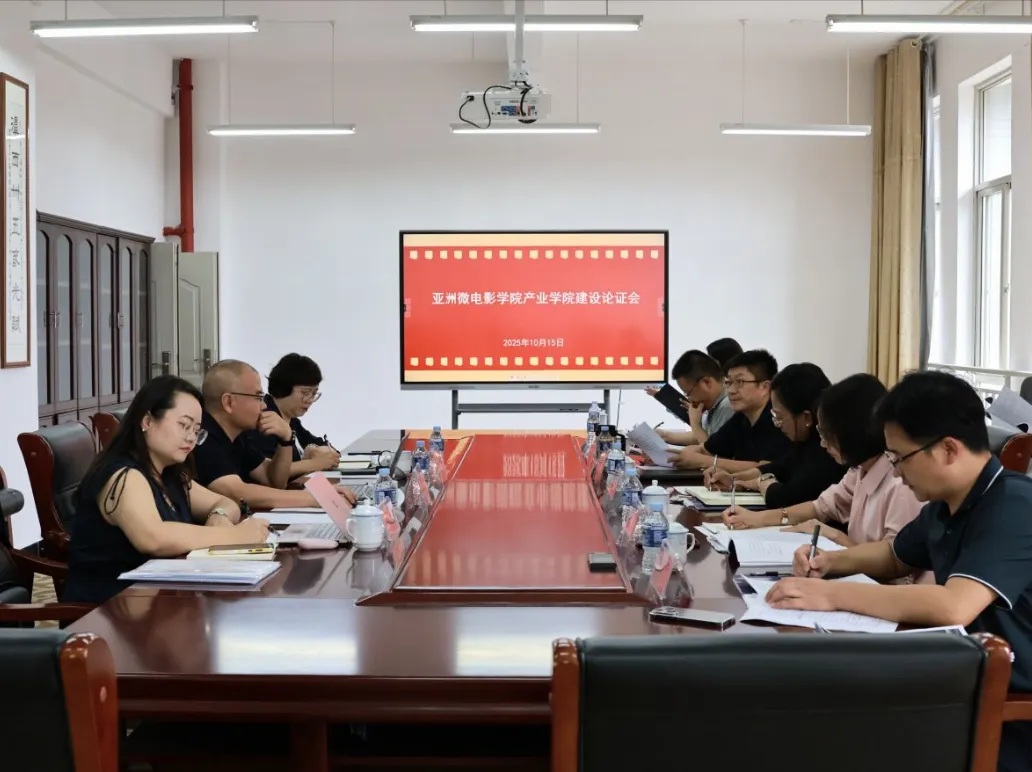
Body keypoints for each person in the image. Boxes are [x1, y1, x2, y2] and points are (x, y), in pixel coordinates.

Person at [764, 371, 1032, 771]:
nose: (896, 472)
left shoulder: (1014, 505)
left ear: (948, 450)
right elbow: (894, 556)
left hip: (1008, 709)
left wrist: (832, 594)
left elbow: (954, 605)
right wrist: (829, 562)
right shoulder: (945, 504)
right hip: (961, 677)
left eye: (899, 458)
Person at [62, 376, 270, 604]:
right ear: (147, 421)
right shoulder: (124, 476)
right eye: (184, 425)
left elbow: (225, 502)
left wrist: (218, 516)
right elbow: (154, 538)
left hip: (157, 600)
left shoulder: (170, 473)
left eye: (197, 430)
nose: (191, 438)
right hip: (108, 611)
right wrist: (234, 536)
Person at [722, 373, 923, 549]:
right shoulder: (860, 469)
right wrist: (756, 518)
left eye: (827, 434)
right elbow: (821, 507)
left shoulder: (901, 484)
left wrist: (836, 537)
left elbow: (896, 566)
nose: (823, 444)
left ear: (853, 432)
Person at [192, 360, 357, 509]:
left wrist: (286, 439)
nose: (264, 405)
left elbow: (272, 480)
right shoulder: (204, 438)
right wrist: (315, 497)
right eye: (258, 397)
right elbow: (238, 493)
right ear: (229, 402)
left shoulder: (237, 436)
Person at [706, 363, 845, 509]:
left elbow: (788, 497)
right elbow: (780, 467)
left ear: (806, 417)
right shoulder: (804, 440)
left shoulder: (828, 450)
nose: (778, 424)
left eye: (780, 417)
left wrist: (762, 484)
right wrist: (734, 479)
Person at [670, 349, 791, 472]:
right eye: (728, 382)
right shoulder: (741, 418)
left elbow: (766, 468)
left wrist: (703, 461)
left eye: (739, 382)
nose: (731, 390)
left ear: (764, 387)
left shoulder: (778, 418)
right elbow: (707, 449)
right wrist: (683, 455)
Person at [249, 353, 341, 479]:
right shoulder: (265, 420)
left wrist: (316, 450)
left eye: (314, 393)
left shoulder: (292, 420)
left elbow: (323, 446)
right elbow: (268, 471)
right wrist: (314, 463)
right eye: (305, 393)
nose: (310, 400)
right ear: (283, 387)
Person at [654, 351, 734, 447]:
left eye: (689, 393)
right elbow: (702, 436)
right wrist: (666, 436)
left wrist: (695, 424)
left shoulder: (728, 406)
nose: (690, 400)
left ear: (706, 382)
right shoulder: (714, 405)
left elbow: (714, 453)